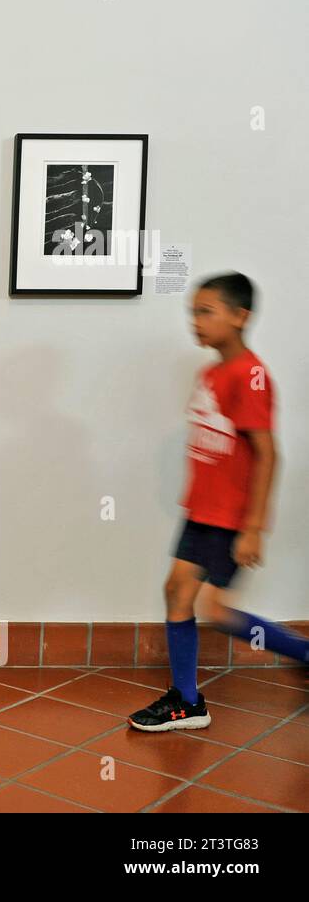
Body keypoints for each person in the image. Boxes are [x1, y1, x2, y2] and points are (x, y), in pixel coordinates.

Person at [129, 273, 309, 731]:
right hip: (203, 512)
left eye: (207, 312)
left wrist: (253, 527)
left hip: (230, 517)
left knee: (214, 609)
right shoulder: (211, 372)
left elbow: (268, 454)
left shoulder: (249, 376)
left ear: (239, 316)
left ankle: (302, 653)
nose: (196, 321)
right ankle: (187, 702)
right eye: (193, 312)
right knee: (177, 593)